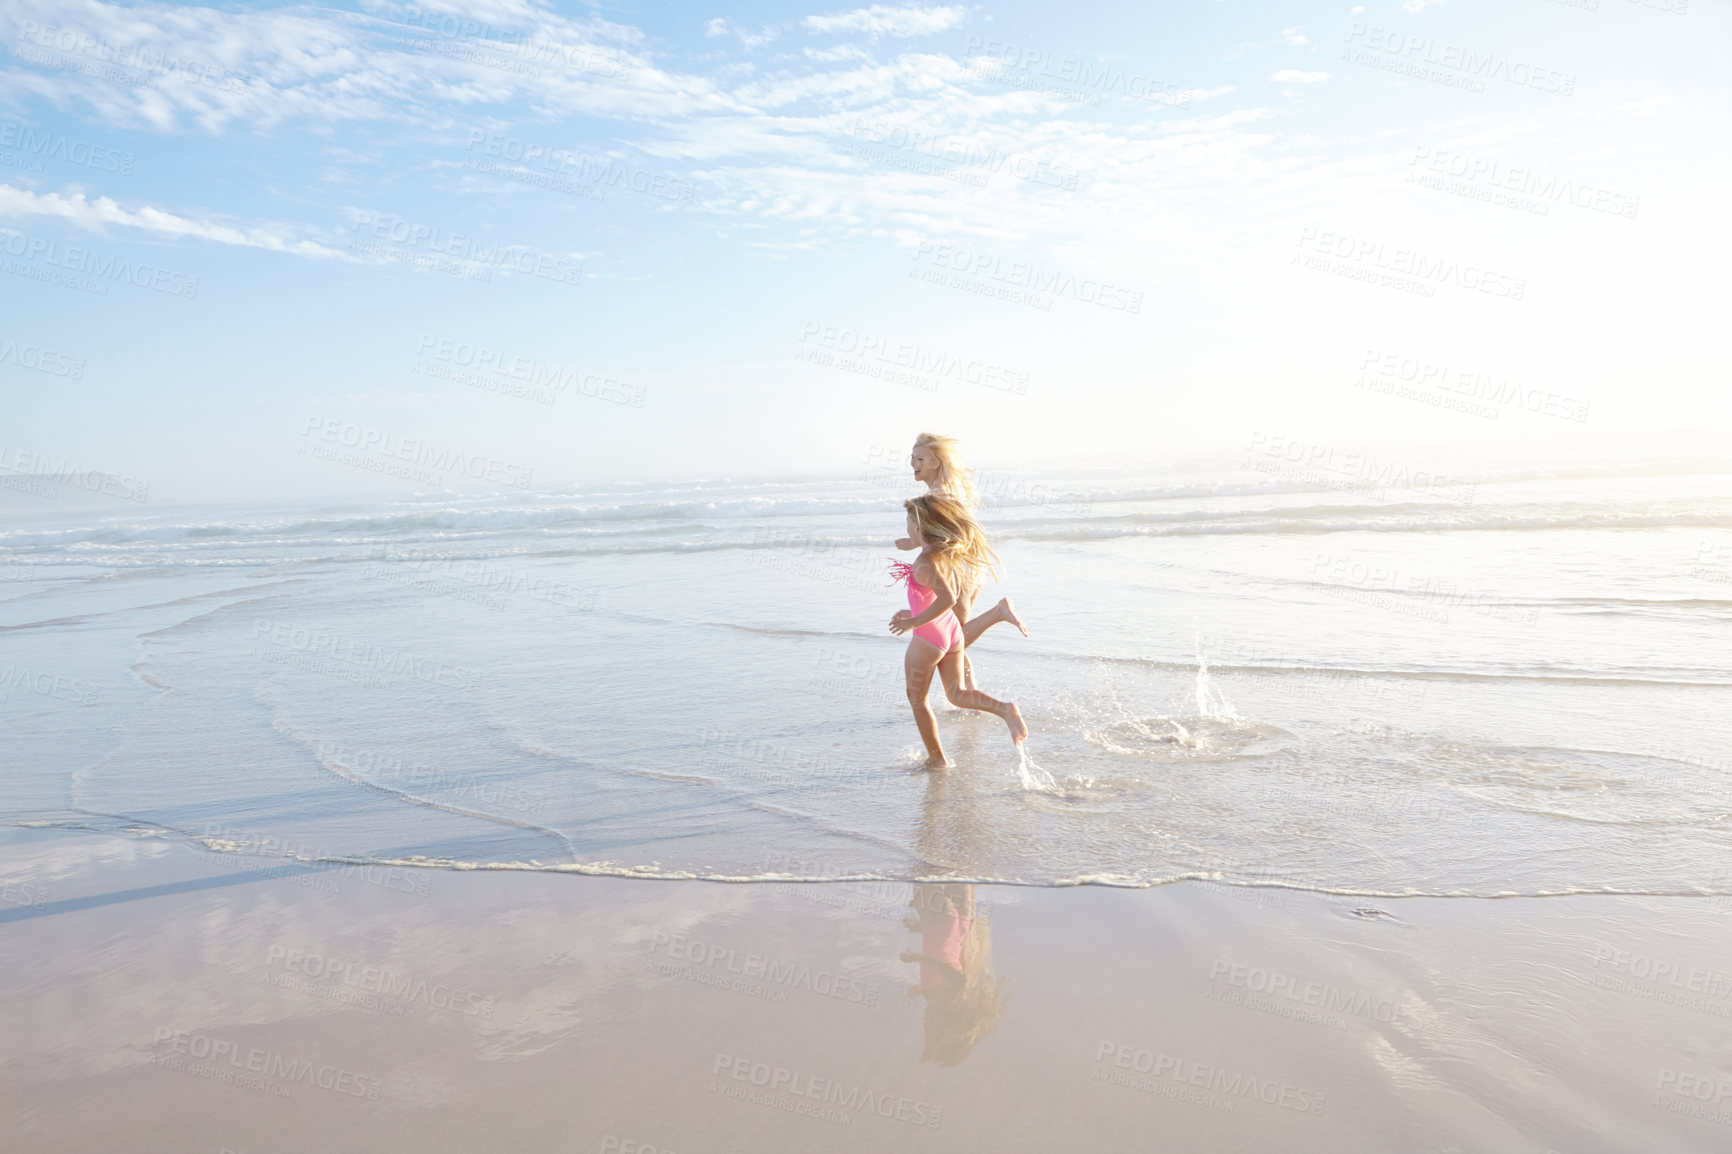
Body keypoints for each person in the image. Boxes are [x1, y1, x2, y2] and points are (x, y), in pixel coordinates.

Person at [889, 492, 1027, 767]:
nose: (905, 527)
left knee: (917, 699)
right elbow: (934, 594)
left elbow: (948, 598)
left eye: (908, 522)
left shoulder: (925, 562)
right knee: (957, 694)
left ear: (920, 526)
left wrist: (913, 622)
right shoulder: (940, 553)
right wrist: (915, 611)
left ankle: (937, 759)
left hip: (929, 638)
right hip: (949, 632)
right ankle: (1006, 709)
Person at [894, 433, 1025, 692]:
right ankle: (967, 693)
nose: (913, 463)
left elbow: (950, 536)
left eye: (920, 458)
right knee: (954, 634)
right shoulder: (943, 489)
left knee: (953, 636)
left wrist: (915, 543)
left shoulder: (939, 495)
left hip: (960, 570)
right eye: (912, 457)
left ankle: (998, 613)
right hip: (968, 567)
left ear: (937, 463)